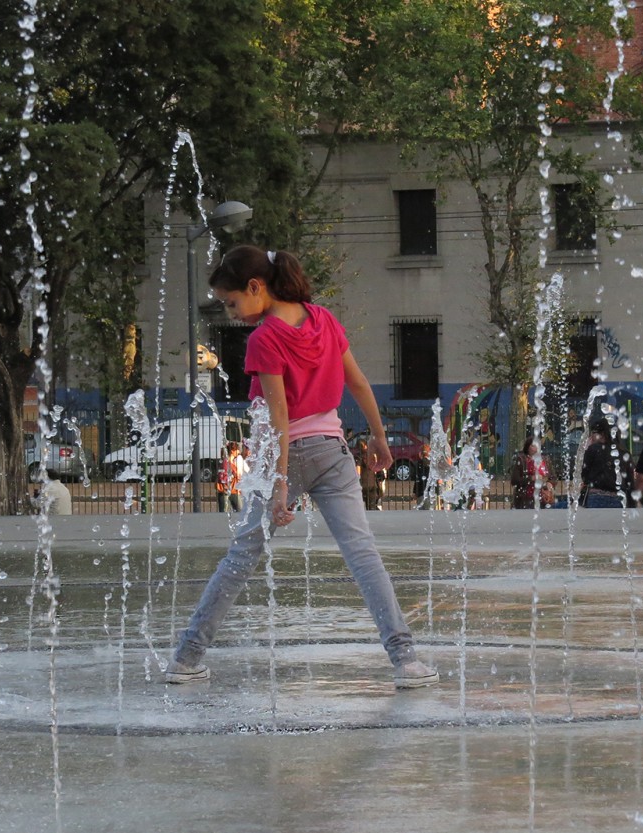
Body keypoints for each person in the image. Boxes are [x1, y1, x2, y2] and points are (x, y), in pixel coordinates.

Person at [165, 245, 438, 689]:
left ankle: (186, 657)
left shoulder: (264, 338)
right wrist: (379, 436)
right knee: (364, 557)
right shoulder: (323, 319)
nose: (232, 314)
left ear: (256, 287)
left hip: (287, 456)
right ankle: (406, 661)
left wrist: (278, 486)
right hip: (333, 452)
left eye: (232, 302)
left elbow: (279, 421)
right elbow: (359, 382)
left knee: (240, 558)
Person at [580, 417, 624, 508]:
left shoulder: (594, 449)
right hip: (617, 499)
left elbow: (584, 475)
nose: (590, 437)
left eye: (593, 433)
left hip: (597, 497)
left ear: (602, 434)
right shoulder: (622, 452)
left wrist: (587, 449)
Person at [509, 436, 547, 509]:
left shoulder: (544, 460)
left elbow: (552, 477)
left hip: (542, 498)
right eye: (533, 445)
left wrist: (549, 483)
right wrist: (531, 478)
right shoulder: (521, 460)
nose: (536, 448)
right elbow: (514, 480)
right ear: (527, 447)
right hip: (525, 498)